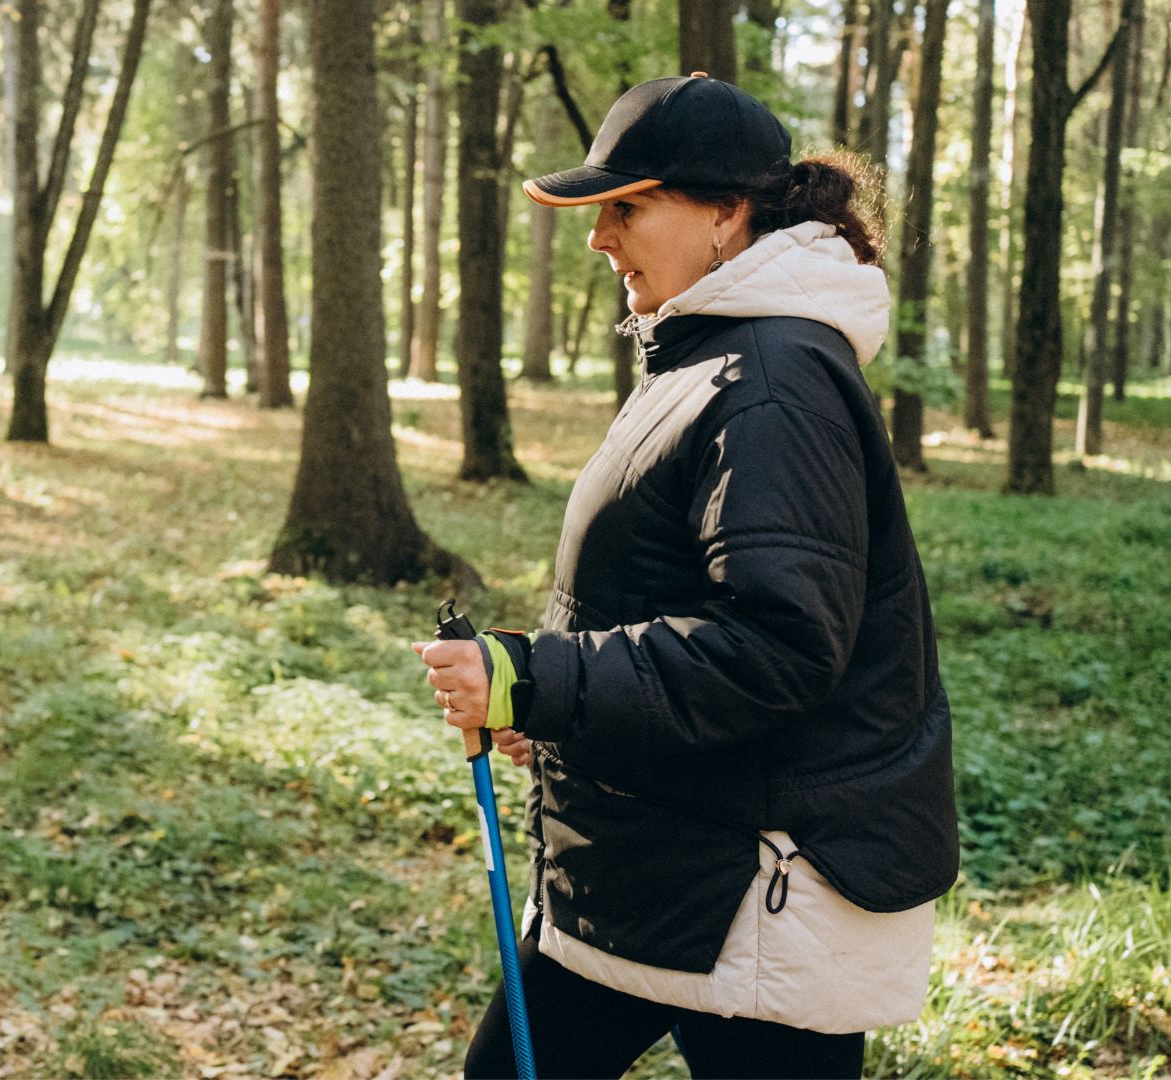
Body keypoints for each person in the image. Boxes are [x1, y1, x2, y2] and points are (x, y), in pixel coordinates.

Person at [411, 73, 958, 1079]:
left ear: (726, 213)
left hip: (753, 890)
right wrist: (550, 707)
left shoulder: (773, 383)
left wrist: (538, 676)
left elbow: (779, 645)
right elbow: (671, 604)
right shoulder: (706, 360)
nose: (598, 237)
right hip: (645, 860)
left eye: (627, 205)